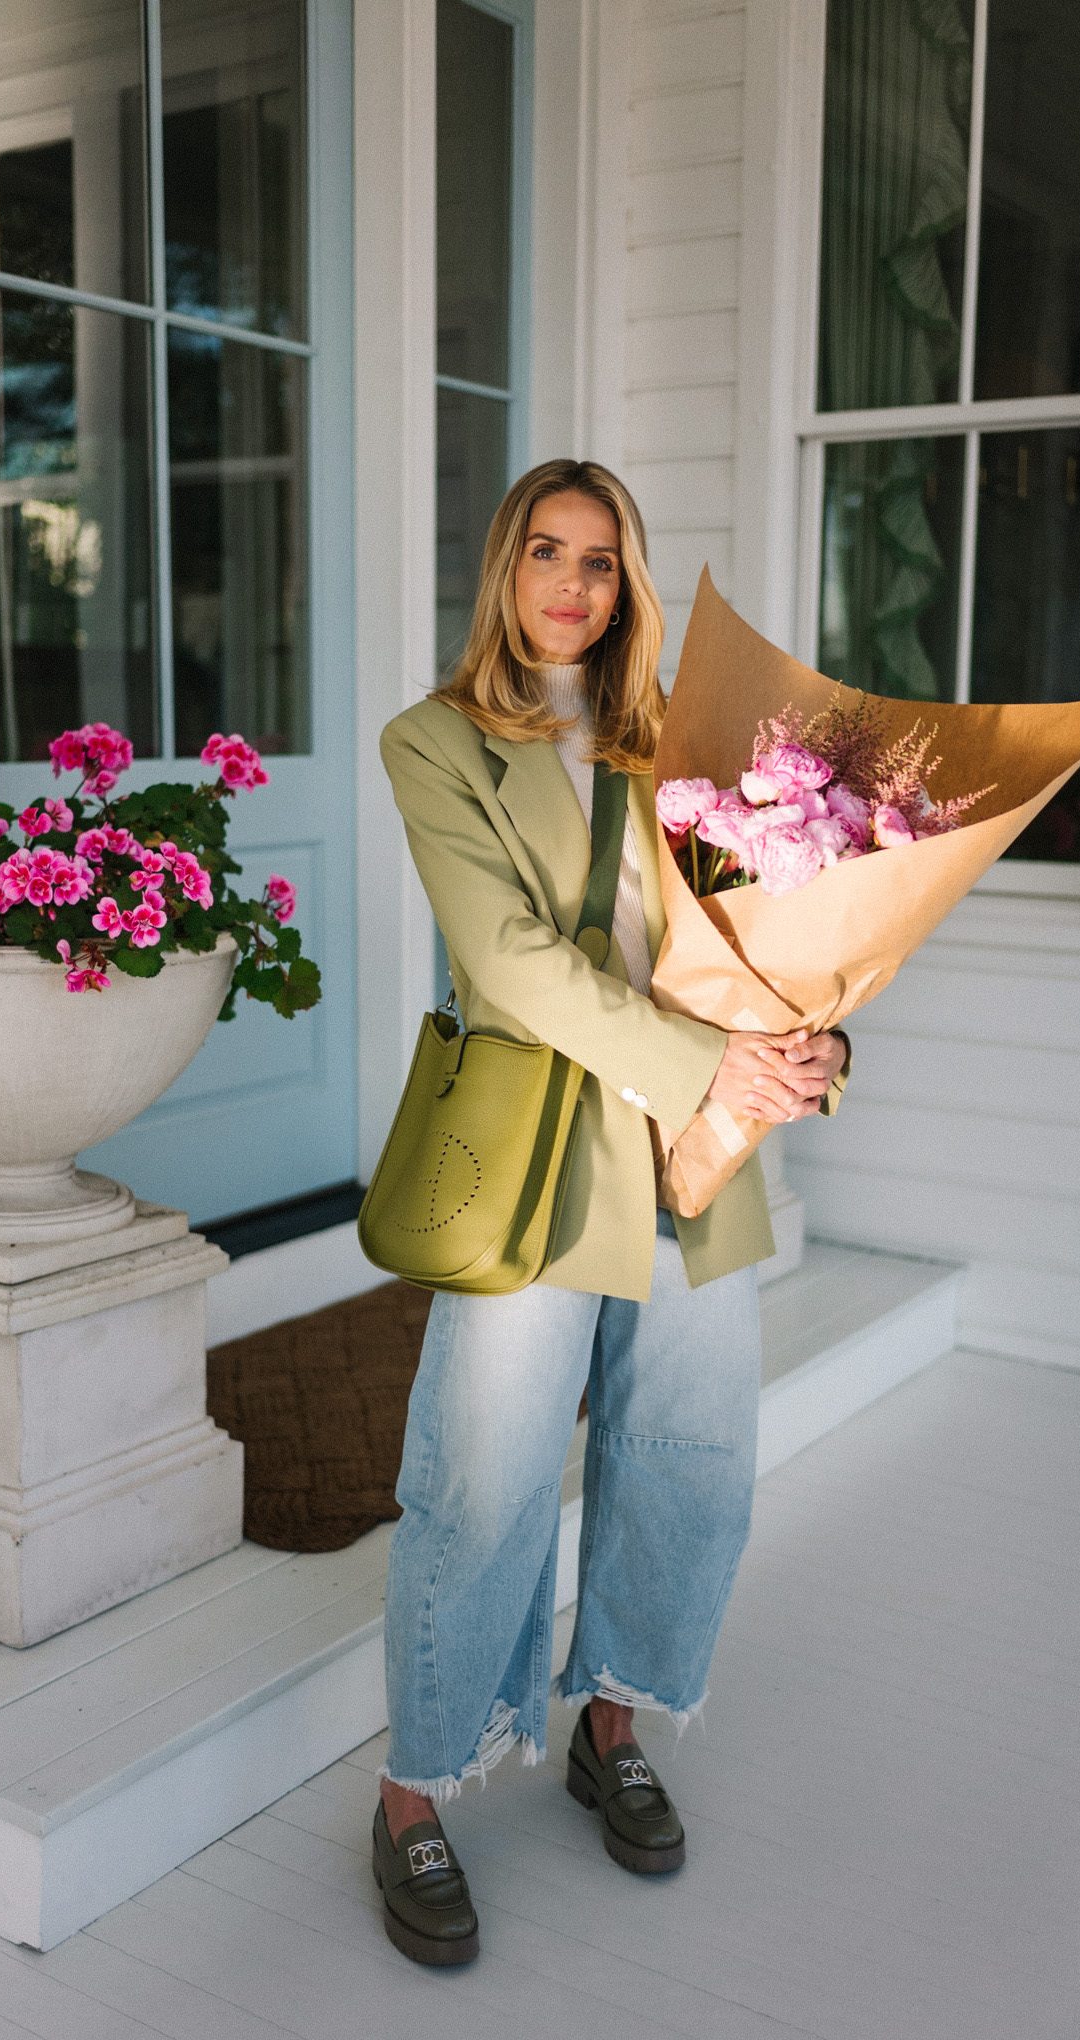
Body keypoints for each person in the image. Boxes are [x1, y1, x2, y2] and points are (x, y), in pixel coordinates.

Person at [370, 458, 848, 1966]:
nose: (572, 586)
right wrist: (713, 1055)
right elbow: (509, 964)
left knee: (692, 1456)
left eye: (602, 560)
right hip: (541, 1162)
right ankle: (412, 1793)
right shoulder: (434, 744)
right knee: (482, 1475)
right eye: (544, 554)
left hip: (699, 1161)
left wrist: (815, 1040)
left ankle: (613, 1727)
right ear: (503, 572)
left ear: (632, 585)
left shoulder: (689, 754)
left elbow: (777, 942)